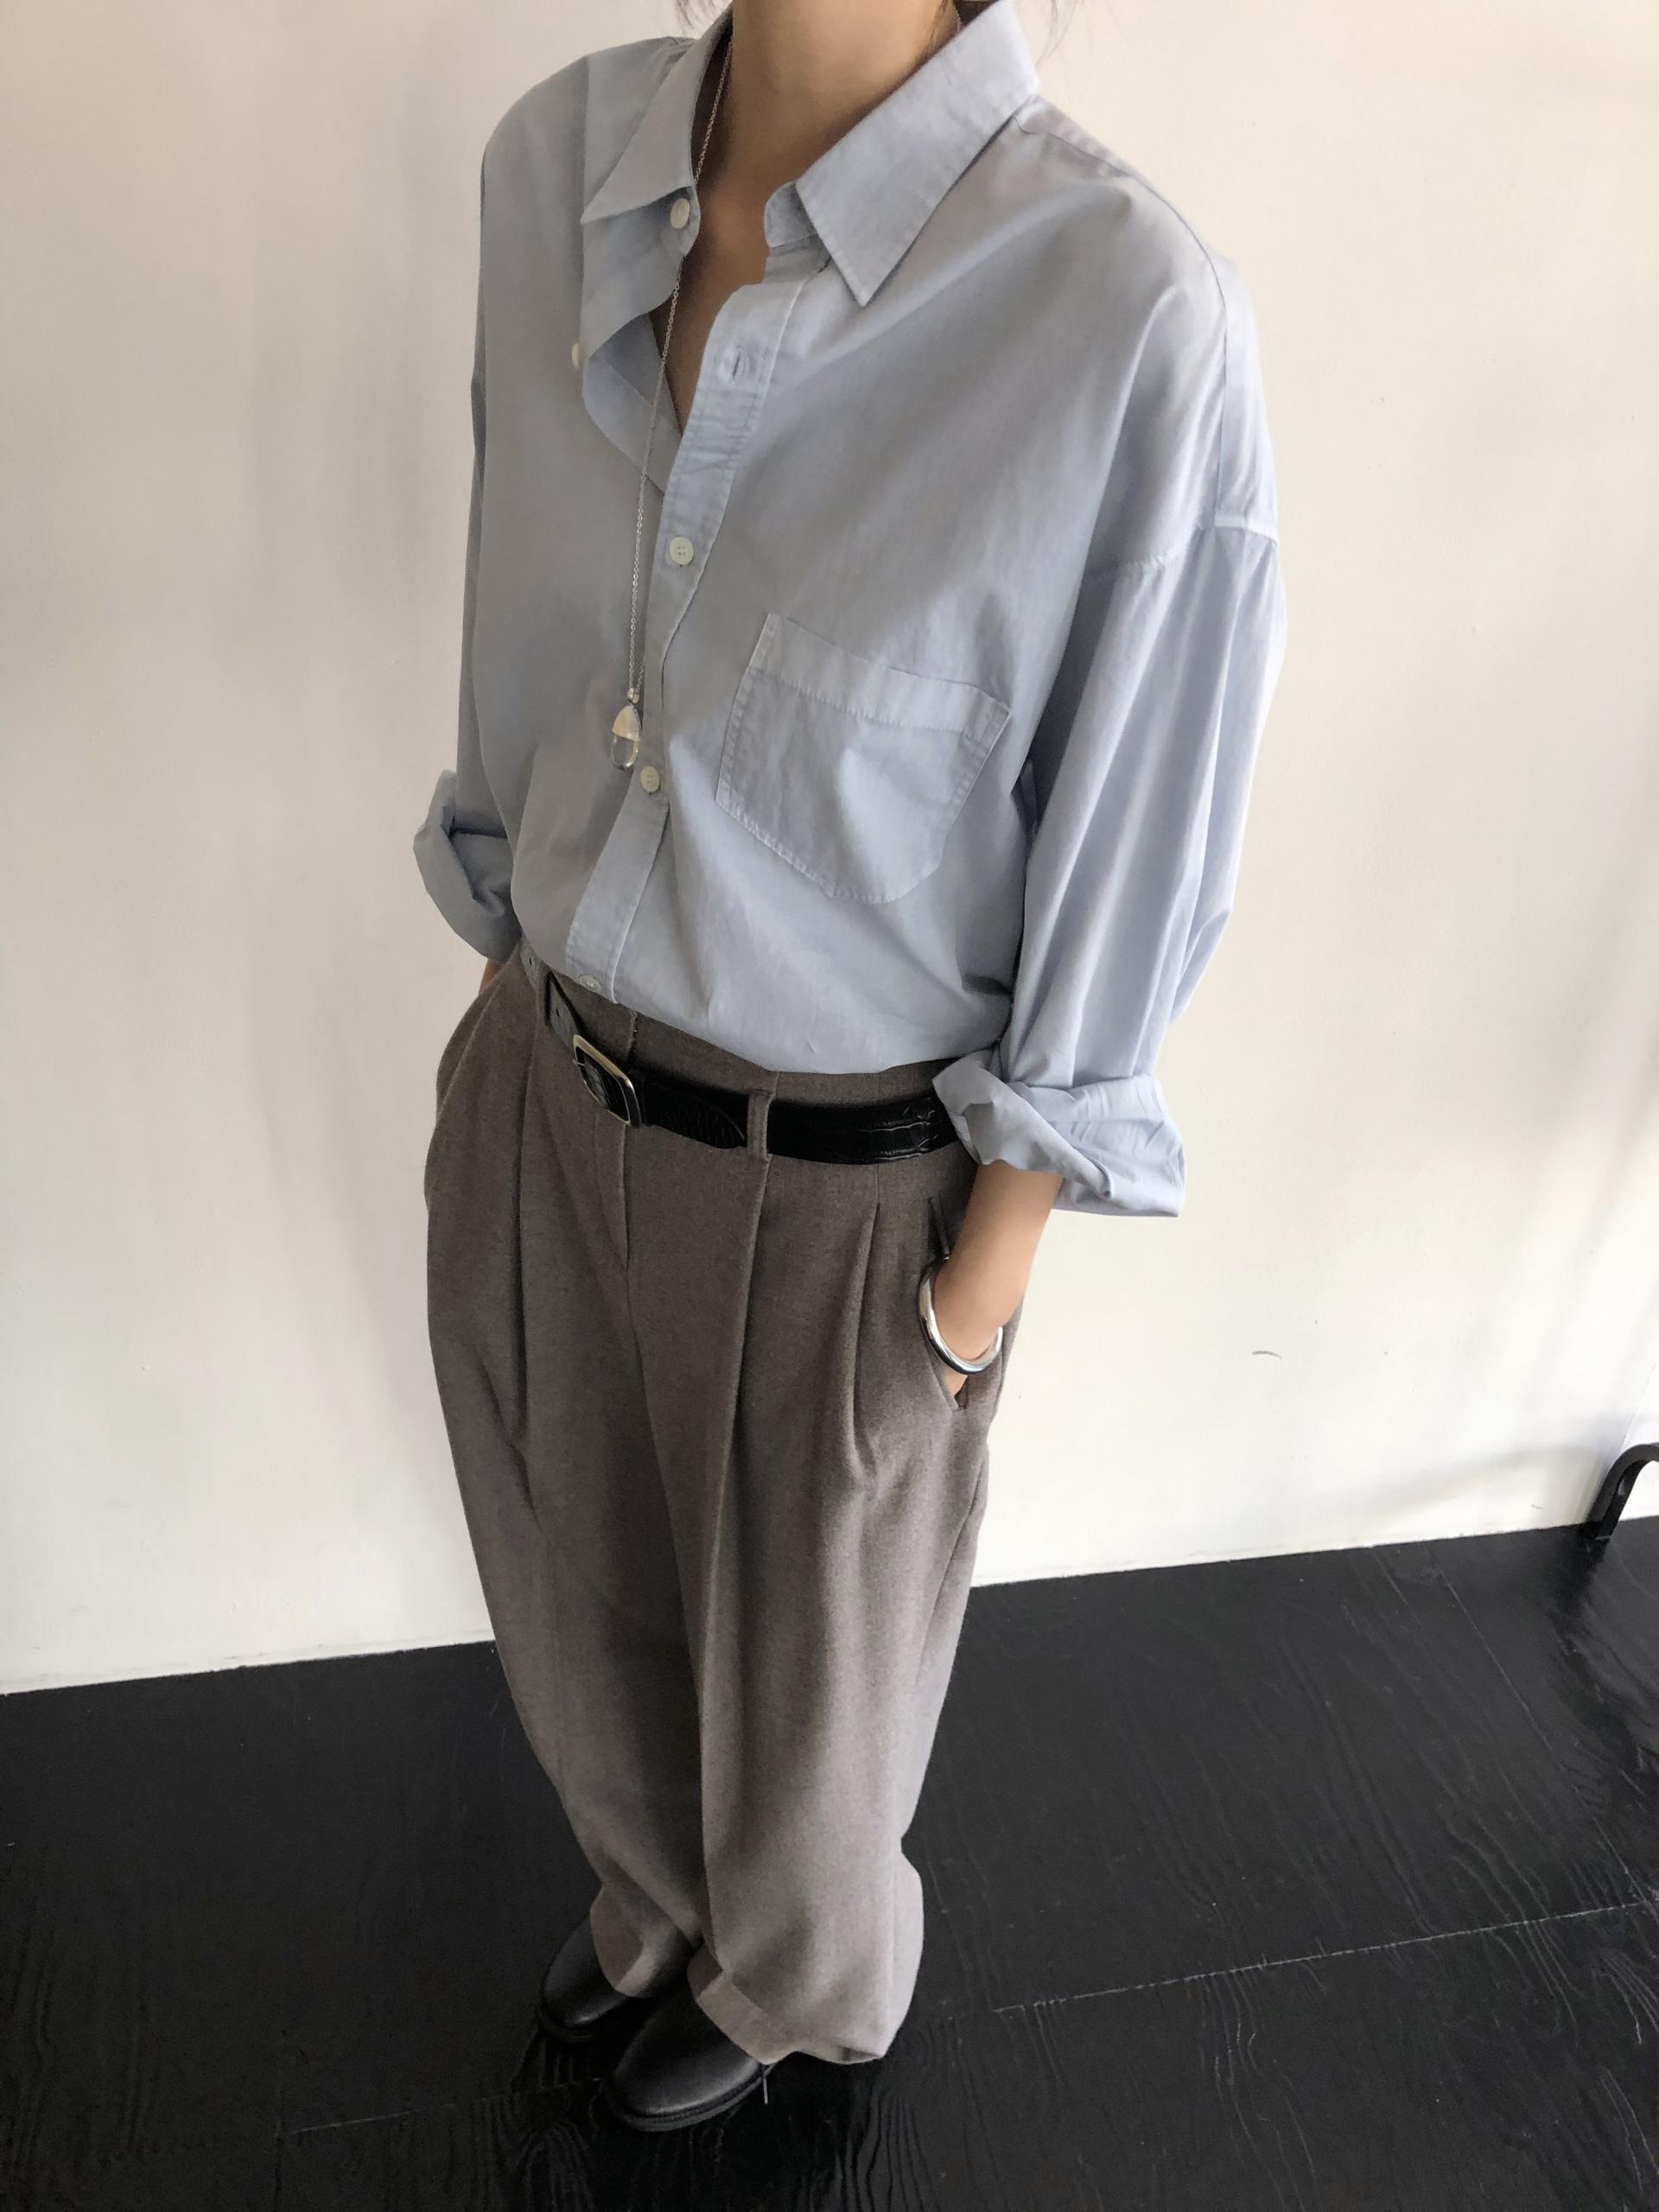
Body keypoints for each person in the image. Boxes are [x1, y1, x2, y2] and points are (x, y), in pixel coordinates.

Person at [414, 0, 1286, 2135]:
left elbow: (1135, 841)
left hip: (837, 1193)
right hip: (551, 1072)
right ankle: (654, 1902)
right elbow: (520, 612)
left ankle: (798, 1981)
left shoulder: (1122, 312)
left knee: (813, 1733)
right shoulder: (551, 171)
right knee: (575, 1597)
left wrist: (970, 1293)